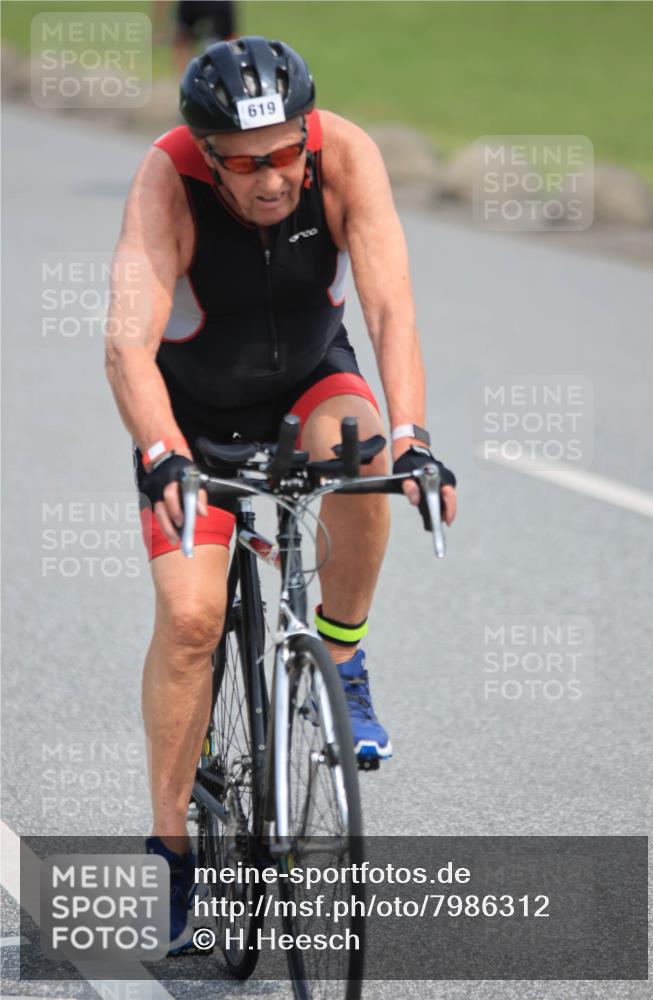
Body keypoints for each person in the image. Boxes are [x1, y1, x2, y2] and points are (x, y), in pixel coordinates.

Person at [105, 36, 457, 954]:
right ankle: (179, 854)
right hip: (192, 415)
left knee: (362, 449)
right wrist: (159, 453)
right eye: (246, 163)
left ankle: (340, 656)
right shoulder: (165, 182)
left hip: (308, 379)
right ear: (208, 156)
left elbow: (389, 307)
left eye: (286, 154)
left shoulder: (345, 157)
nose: (271, 179)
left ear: (308, 132)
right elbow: (127, 343)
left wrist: (416, 436)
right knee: (190, 622)